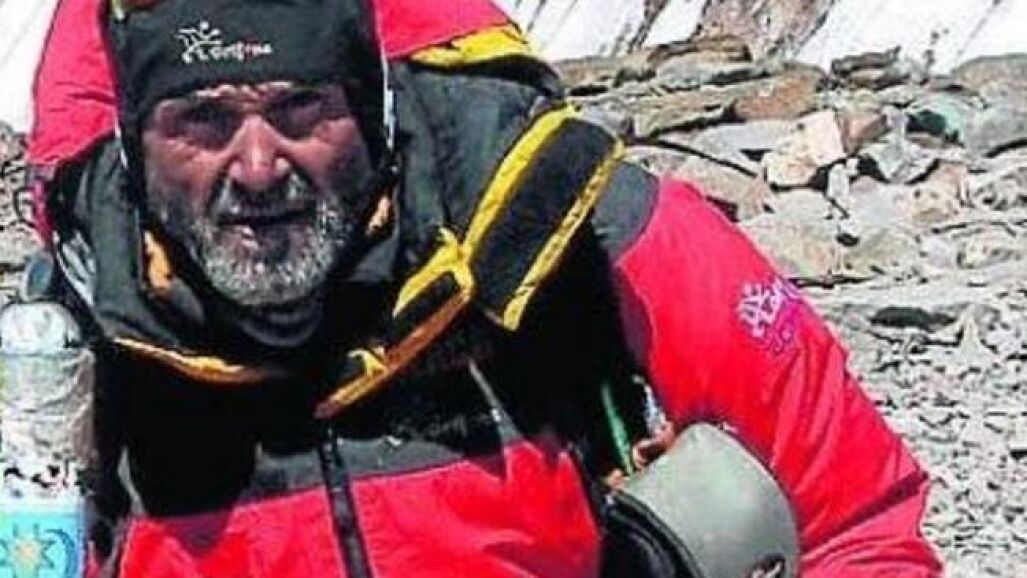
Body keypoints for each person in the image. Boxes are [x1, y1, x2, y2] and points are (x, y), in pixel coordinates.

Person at [23, 0, 942, 576]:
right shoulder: (66, 350)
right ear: (135, 147)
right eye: (201, 121)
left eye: (301, 107)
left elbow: (858, 524)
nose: (258, 167)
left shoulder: (572, 229)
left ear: (375, 107)